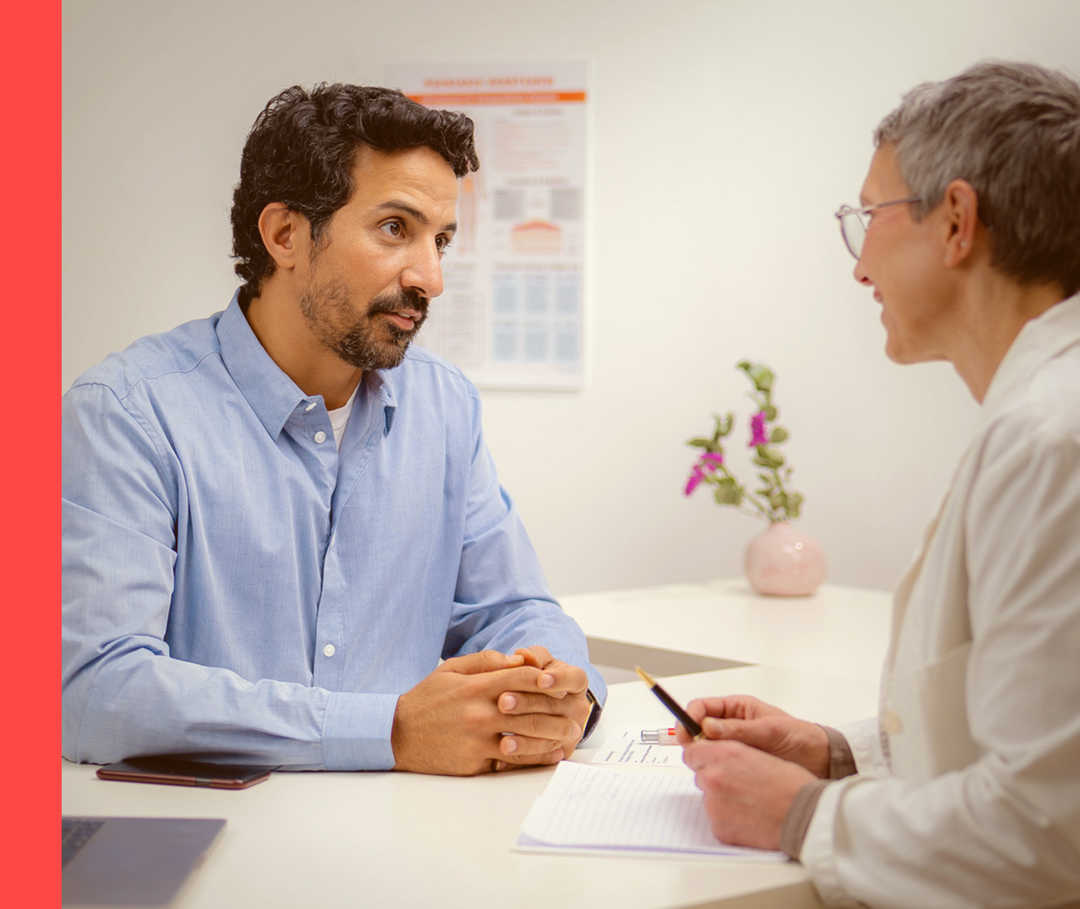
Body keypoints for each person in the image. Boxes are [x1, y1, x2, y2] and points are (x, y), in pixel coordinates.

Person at [62, 84, 605, 776]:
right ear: (285, 234)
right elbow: (94, 691)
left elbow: (514, 606)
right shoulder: (128, 414)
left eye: (440, 240)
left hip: (407, 844)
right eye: (394, 229)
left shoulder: (445, 407)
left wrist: (558, 686)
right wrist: (389, 730)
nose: (431, 278)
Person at [678, 61, 1080, 907]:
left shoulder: (1053, 440)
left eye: (870, 216)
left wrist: (805, 815)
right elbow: (1021, 737)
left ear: (958, 221)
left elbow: (1049, 832)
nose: (861, 267)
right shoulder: (1038, 417)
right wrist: (834, 751)